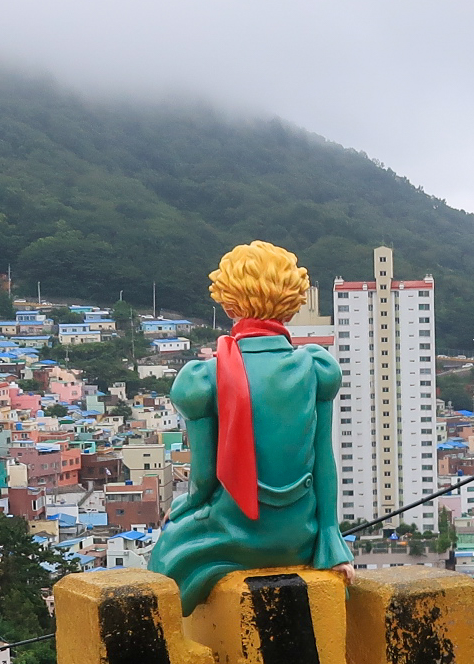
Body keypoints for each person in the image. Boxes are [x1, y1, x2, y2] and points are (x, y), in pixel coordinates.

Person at [149, 242, 352, 614]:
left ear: (228, 304)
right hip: (300, 535)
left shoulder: (204, 377)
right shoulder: (315, 366)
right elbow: (324, 461)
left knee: (164, 566)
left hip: (239, 530)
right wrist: (330, 538)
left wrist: (185, 506)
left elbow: (205, 479)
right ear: (292, 302)